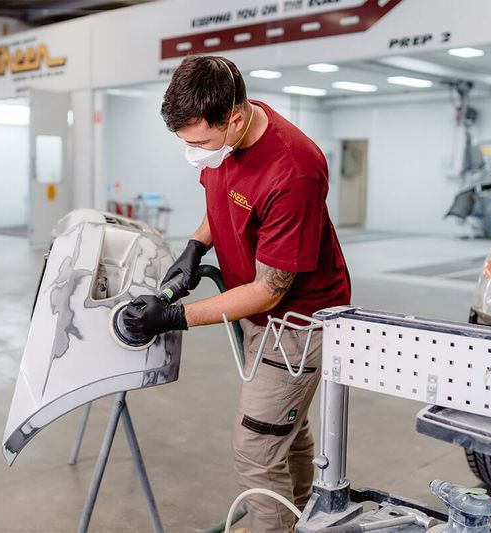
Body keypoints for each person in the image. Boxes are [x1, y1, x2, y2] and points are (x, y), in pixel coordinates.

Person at [121, 55, 351, 533]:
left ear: (236, 119)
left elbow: (269, 292)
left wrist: (175, 317)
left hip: (297, 325)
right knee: (289, 433)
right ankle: (302, 518)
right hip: (260, 314)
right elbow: (221, 196)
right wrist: (195, 246)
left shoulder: (294, 170)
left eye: (200, 142)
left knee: (256, 452)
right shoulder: (224, 140)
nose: (194, 153)